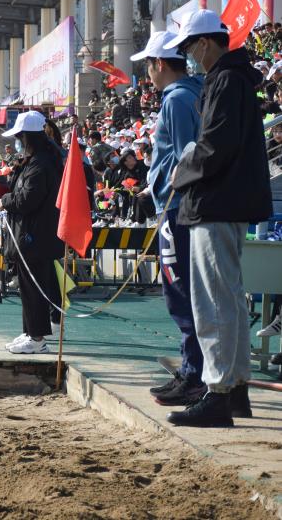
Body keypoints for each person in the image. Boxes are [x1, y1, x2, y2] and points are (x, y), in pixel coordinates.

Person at [165, 9, 273, 427]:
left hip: (217, 202)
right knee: (228, 297)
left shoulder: (226, 80)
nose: (189, 57)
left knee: (213, 302)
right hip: (226, 201)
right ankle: (235, 390)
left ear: (205, 43)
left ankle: (219, 392)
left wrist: (180, 173)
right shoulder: (232, 78)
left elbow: (214, 148)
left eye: (191, 47)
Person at [130, 31, 206, 407]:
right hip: (180, 205)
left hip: (176, 208)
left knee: (179, 292)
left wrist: (162, 191)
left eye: (148, 65)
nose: (148, 74)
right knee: (187, 291)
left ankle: (194, 375)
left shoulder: (176, 99)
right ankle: (194, 371)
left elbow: (184, 157)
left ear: (159, 64)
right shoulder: (193, 92)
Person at [0, 111, 63, 354]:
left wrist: (4, 200)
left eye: (19, 137)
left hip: (35, 237)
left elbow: (26, 200)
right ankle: (30, 332)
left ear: (28, 137)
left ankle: (37, 339)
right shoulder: (34, 162)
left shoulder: (41, 164)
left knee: (34, 289)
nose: (17, 142)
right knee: (27, 288)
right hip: (30, 235)